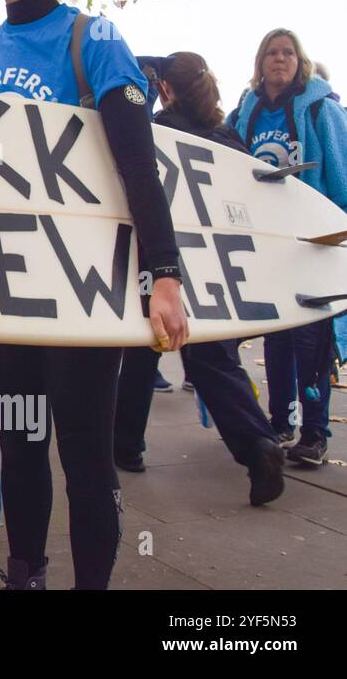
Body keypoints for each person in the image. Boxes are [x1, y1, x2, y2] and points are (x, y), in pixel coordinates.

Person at [0, 0, 189, 590]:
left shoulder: (92, 39)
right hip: (6, 283)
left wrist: (164, 274)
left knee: (85, 454)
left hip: (83, 287)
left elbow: (138, 165)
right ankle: (26, 574)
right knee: (19, 444)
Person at [113, 52, 284, 505]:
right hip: (217, 267)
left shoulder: (160, 130)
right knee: (215, 361)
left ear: (165, 88)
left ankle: (126, 446)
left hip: (163, 260)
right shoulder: (227, 136)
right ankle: (257, 443)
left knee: (143, 349)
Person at [228, 29, 347, 466]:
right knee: (277, 336)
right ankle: (280, 422)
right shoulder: (246, 111)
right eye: (272, 53)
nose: (280, 60)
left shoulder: (321, 109)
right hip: (266, 241)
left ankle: (315, 433)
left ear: (300, 61)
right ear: (260, 62)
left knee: (311, 340)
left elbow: (341, 170)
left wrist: (338, 228)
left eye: (288, 53)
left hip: (313, 240)